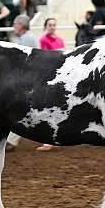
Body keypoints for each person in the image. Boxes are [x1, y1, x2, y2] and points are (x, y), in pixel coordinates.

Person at [6, 14, 39, 151]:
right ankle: (11, 140)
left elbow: (22, 60)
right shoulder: (26, 38)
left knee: (20, 108)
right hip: (30, 77)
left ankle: (12, 140)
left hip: (29, 78)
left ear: (21, 25)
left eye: (15, 24)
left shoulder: (27, 38)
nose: (14, 26)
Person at [37, 17, 65, 151]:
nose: (52, 27)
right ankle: (48, 140)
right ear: (46, 26)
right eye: (50, 25)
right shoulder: (43, 40)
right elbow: (46, 57)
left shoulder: (60, 40)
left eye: (54, 24)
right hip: (48, 74)